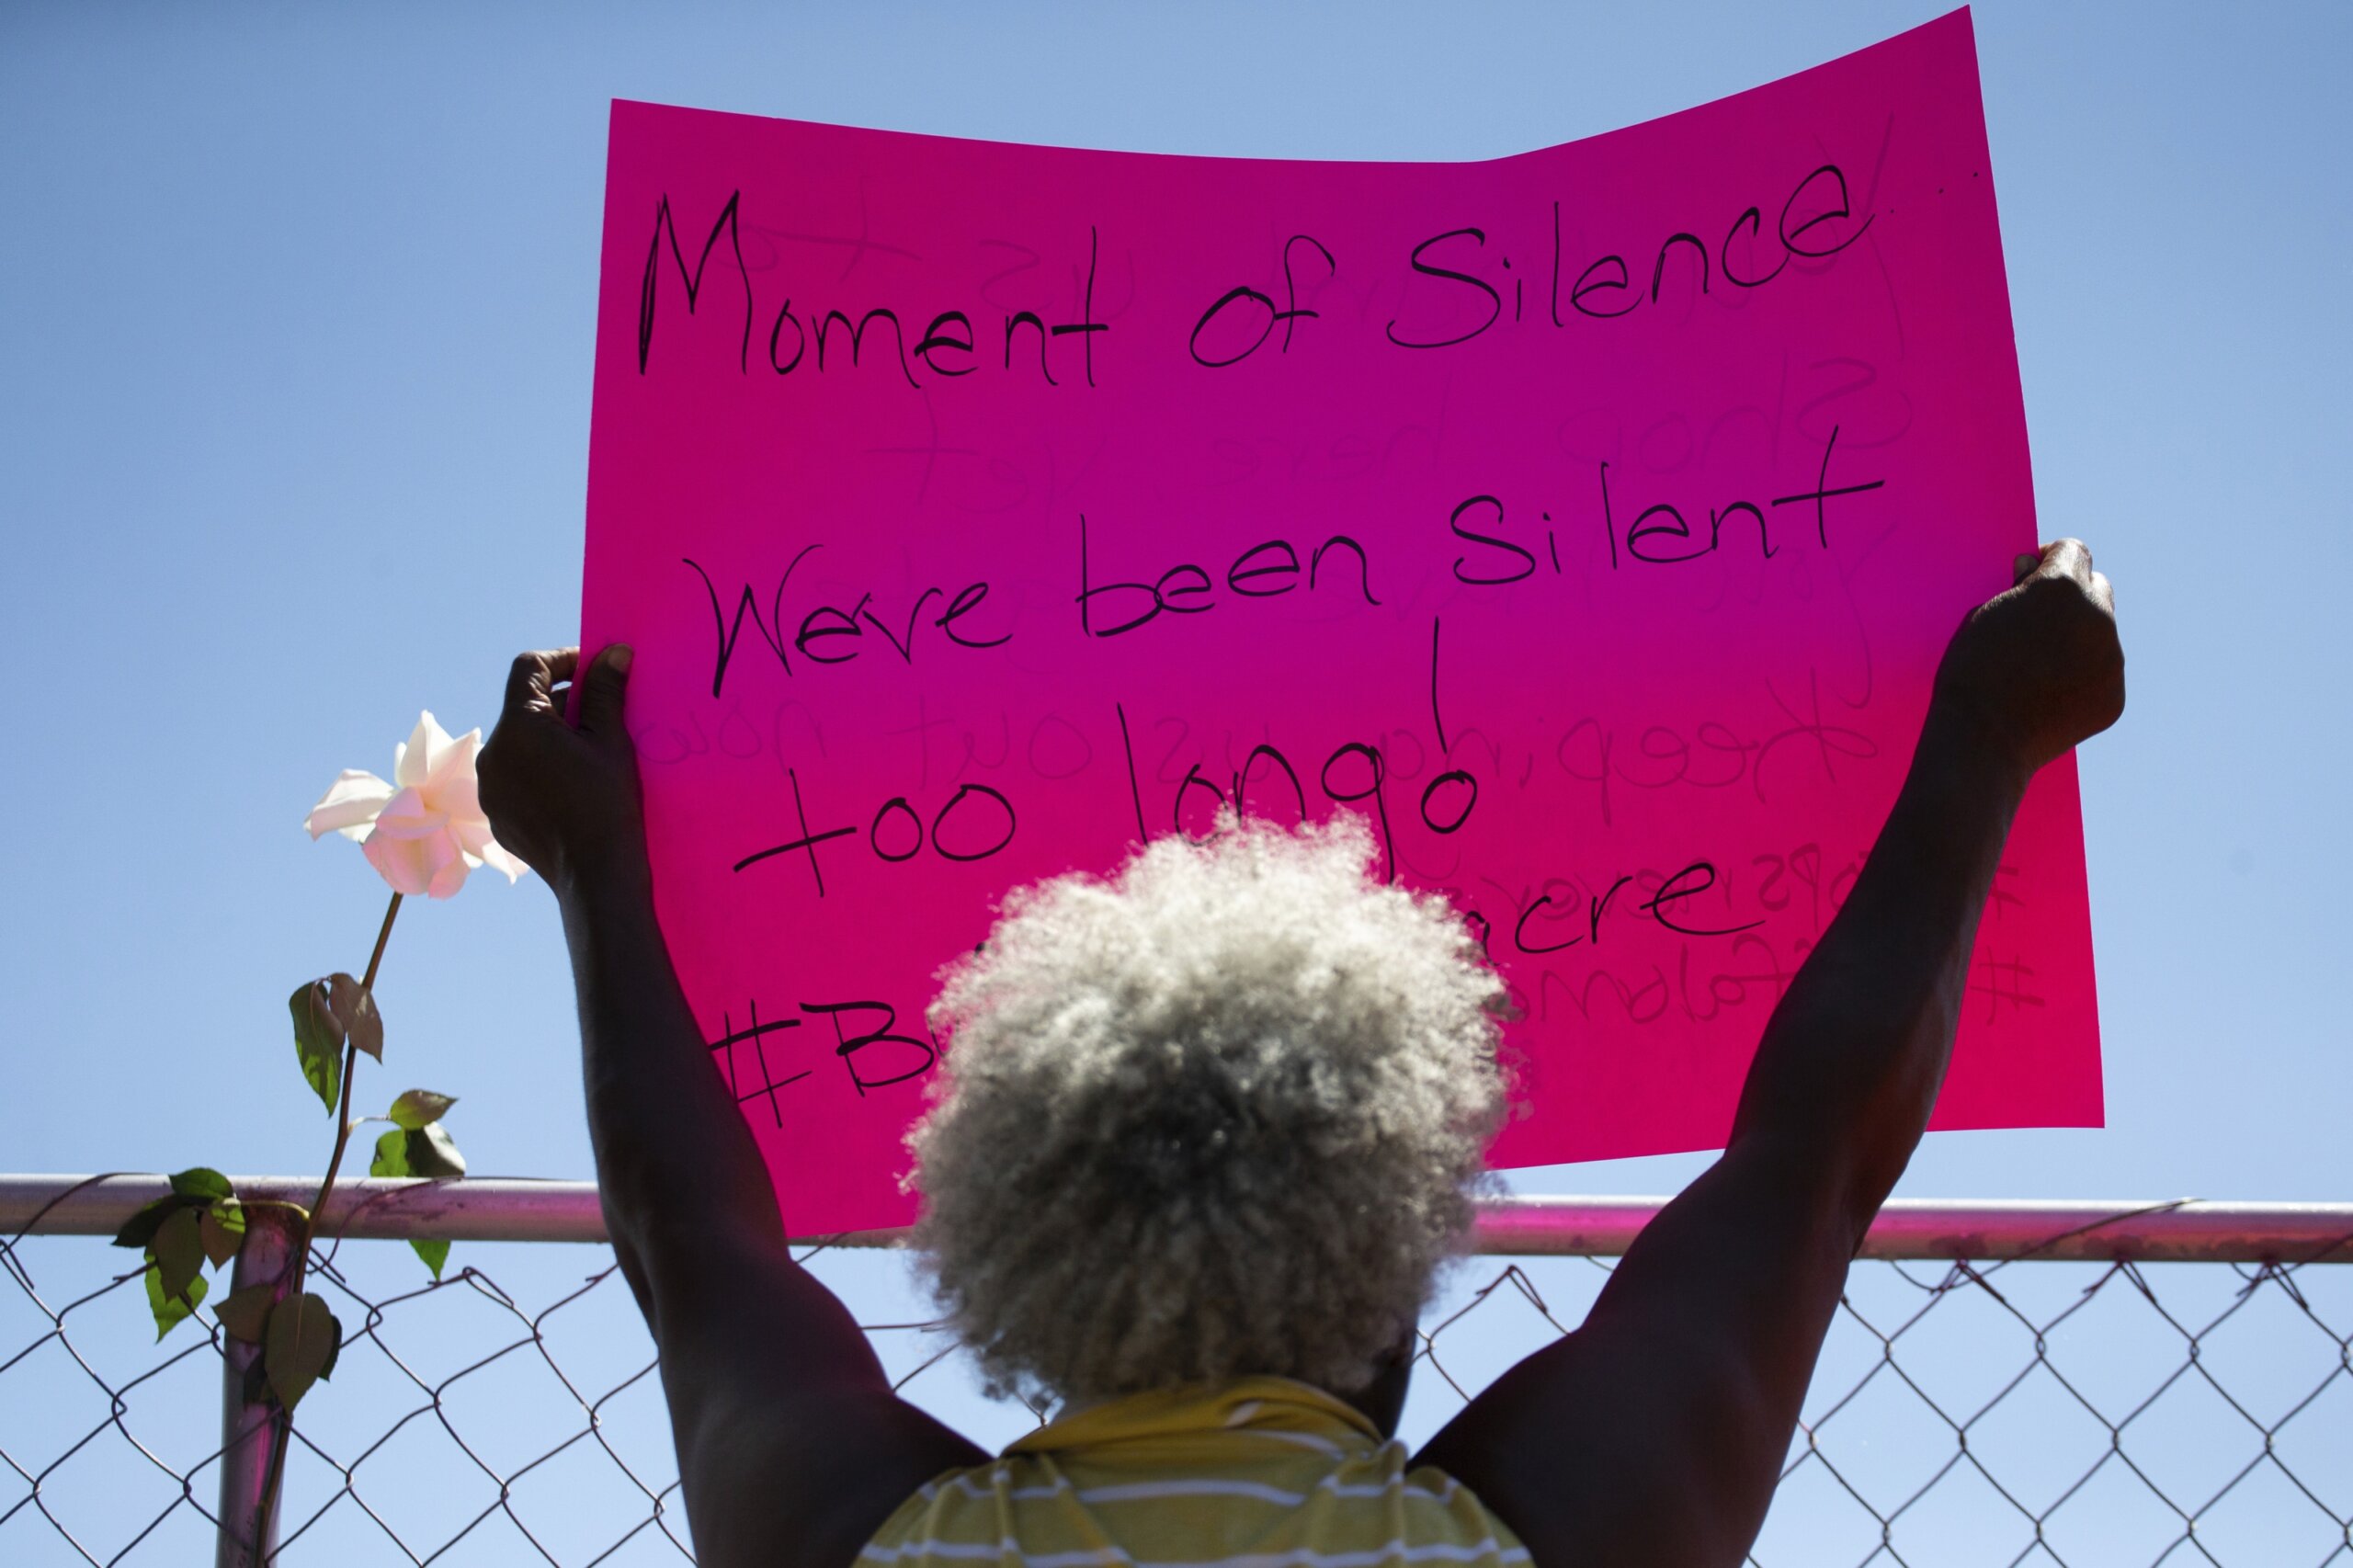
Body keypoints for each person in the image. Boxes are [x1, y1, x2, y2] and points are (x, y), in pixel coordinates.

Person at [478, 539, 2122, 1568]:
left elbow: (693, 1247)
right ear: (1394, 1245)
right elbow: (1811, 1159)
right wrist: (1985, 734)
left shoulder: (859, 1537)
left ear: (1015, 1234)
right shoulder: (1529, 1538)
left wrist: (595, 877)